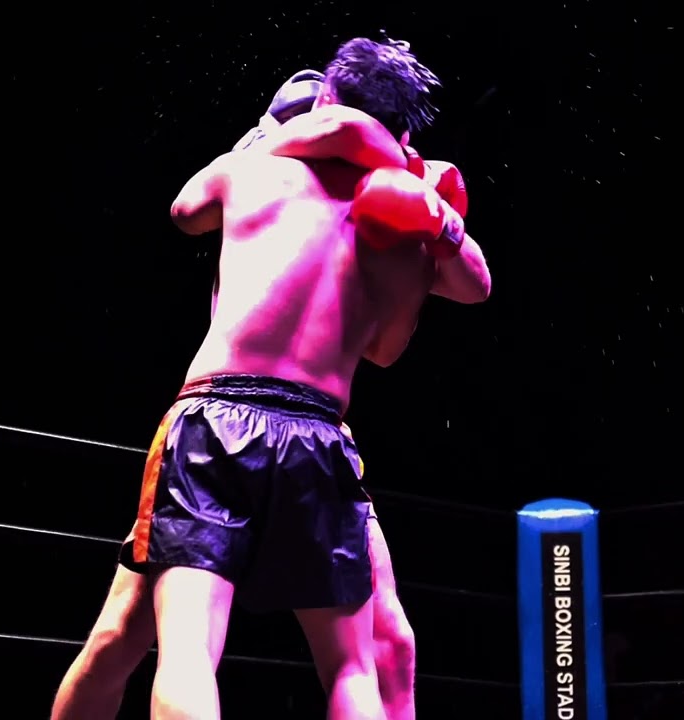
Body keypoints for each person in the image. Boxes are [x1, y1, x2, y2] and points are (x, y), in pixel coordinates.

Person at [50, 59, 487, 720]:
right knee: (350, 668)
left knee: (186, 654)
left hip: (216, 417)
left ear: (326, 100)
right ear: (404, 133)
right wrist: (435, 214)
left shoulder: (253, 169)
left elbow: (184, 211)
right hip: (319, 431)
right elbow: (430, 319)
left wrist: (263, 134)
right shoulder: (400, 236)